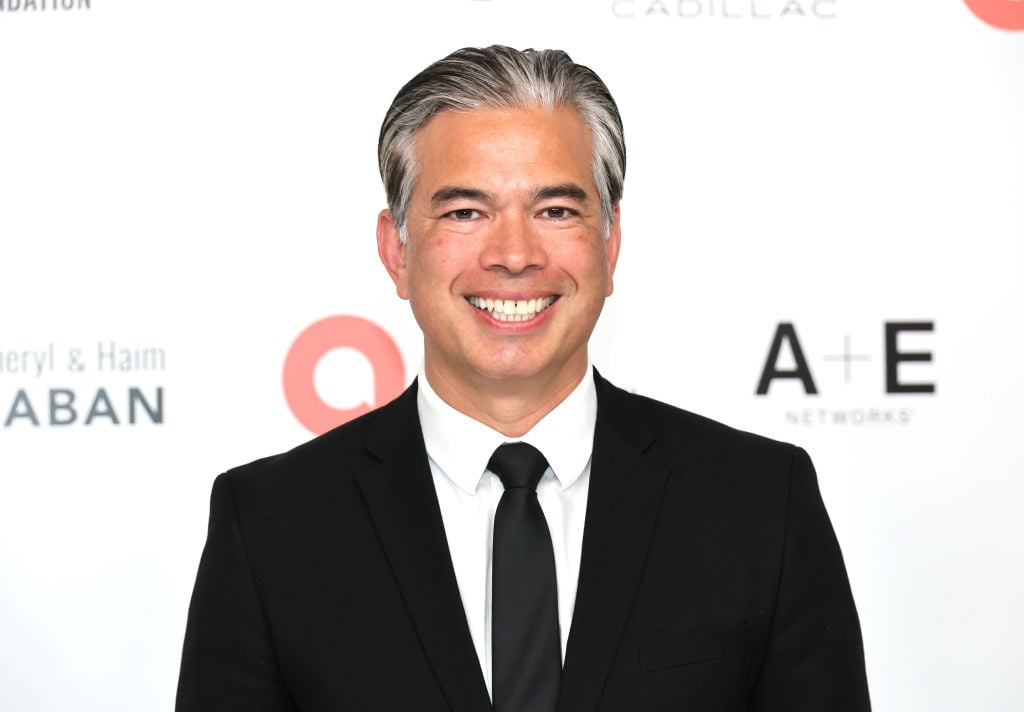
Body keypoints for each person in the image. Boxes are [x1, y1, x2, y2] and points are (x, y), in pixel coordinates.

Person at [175, 45, 870, 711]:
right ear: (396, 251)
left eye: (556, 211)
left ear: (610, 244)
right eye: (466, 212)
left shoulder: (758, 506)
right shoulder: (270, 524)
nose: (513, 254)